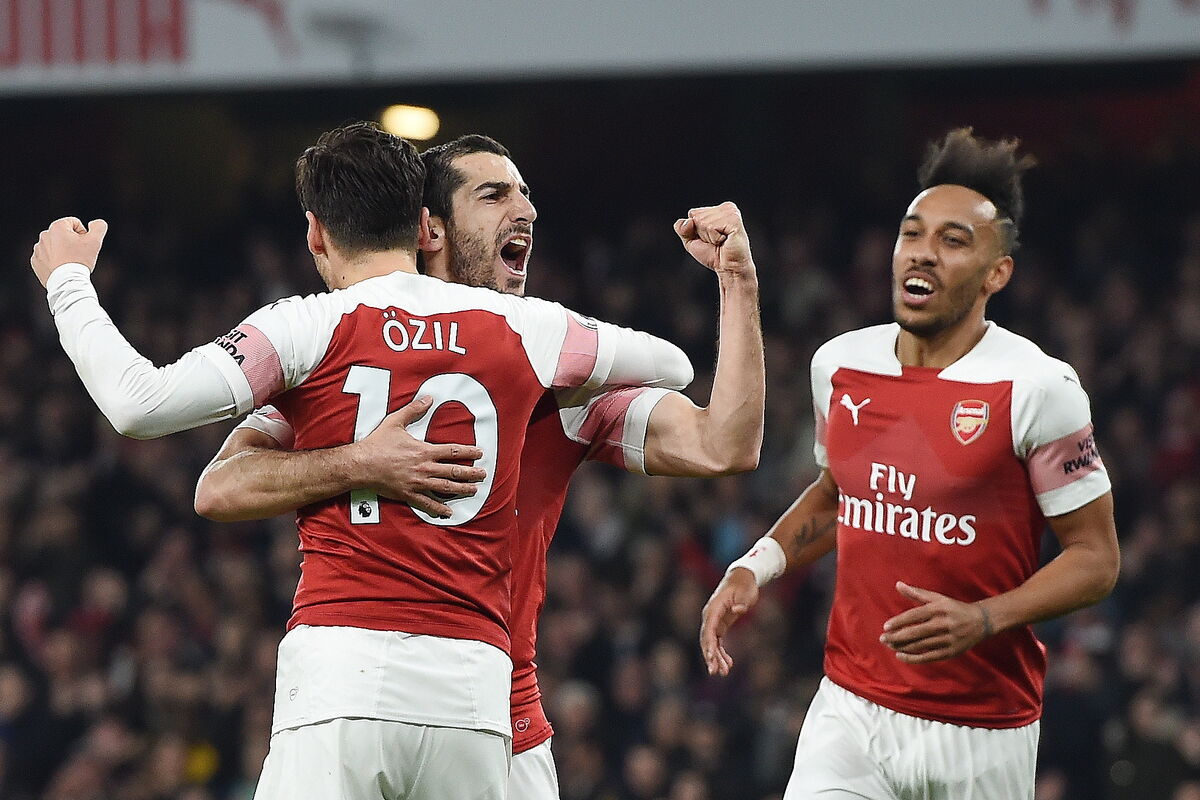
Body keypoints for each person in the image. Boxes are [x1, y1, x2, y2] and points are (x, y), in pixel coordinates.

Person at [29, 122, 696, 800]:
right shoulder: (527, 328)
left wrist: (68, 282)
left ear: (316, 234)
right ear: (421, 224)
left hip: (341, 676)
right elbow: (673, 364)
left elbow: (138, 404)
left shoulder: (305, 326)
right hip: (472, 691)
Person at [193, 134, 766, 800]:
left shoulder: (556, 379)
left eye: (525, 194)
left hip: (501, 719)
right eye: (493, 195)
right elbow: (220, 484)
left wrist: (737, 282)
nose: (525, 209)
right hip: (368, 692)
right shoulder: (349, 360)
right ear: (428, 229)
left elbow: (725, 445)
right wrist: (355, 460)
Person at [699, 128, 1119, 799]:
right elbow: (841, 492)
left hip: (982, 730)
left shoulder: (1039, 387)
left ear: (997, 273)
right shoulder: (839, 365)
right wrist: (756, 565)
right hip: (850, 709)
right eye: (912, 233)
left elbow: (1096, 559)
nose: (923, 252)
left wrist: (985, 618)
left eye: (953, 241)